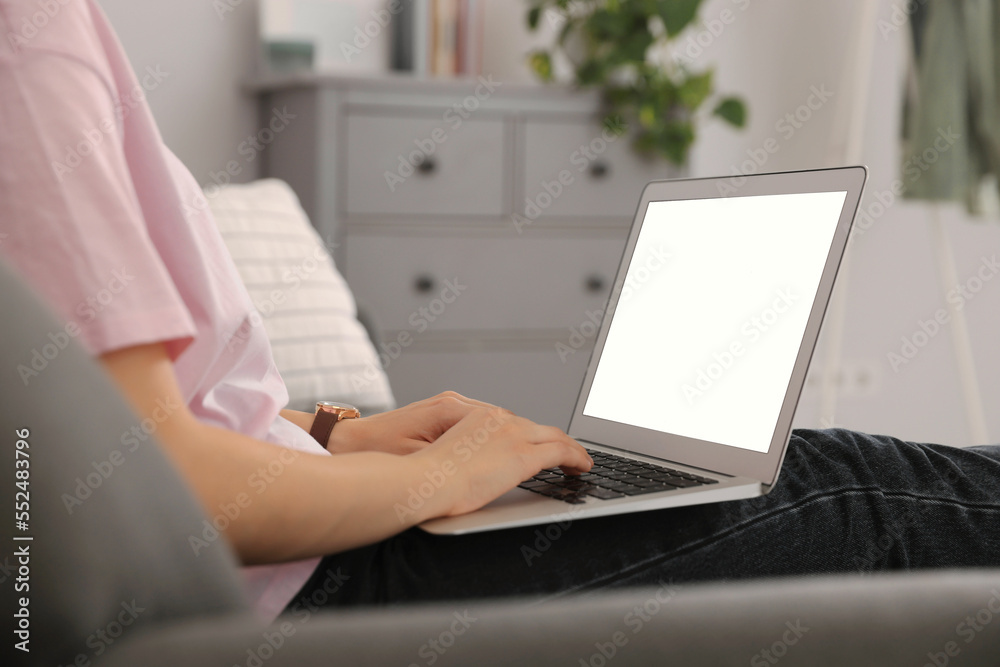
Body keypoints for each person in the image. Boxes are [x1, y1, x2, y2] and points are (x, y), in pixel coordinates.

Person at [1, 0, 998, 621]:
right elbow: (145, 479)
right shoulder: (28, 41)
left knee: (787, 470)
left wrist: (337, 433)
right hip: (310, 588)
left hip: (306, 540)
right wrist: (439, 476)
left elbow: (124, 417)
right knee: (847, 486)